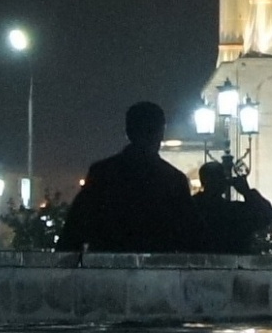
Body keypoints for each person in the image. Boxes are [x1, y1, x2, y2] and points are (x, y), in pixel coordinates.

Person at [58, 102, 195, 253]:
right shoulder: (174, 179)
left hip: (107, 267)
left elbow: (75, 229)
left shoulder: (102, 173)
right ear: (161, 132)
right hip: (158, 270)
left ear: (128, 132)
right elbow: (188, 235)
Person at [186, 162, 272, 256]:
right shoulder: (232, 211)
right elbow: (266, 216)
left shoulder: (191, 206)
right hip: (232, 263)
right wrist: (246, 192)